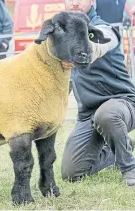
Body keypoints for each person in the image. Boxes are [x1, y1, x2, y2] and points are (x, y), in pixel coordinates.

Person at [61, 0, 135, 186]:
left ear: (92, 1)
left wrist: (87, 51)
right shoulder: (61, 34)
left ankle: (129, 168)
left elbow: (106, 40)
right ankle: (120, 147)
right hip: (88, 114)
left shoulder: (104, 28)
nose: (75, 2)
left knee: (107, 115)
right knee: (71, 173)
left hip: (122, 103)